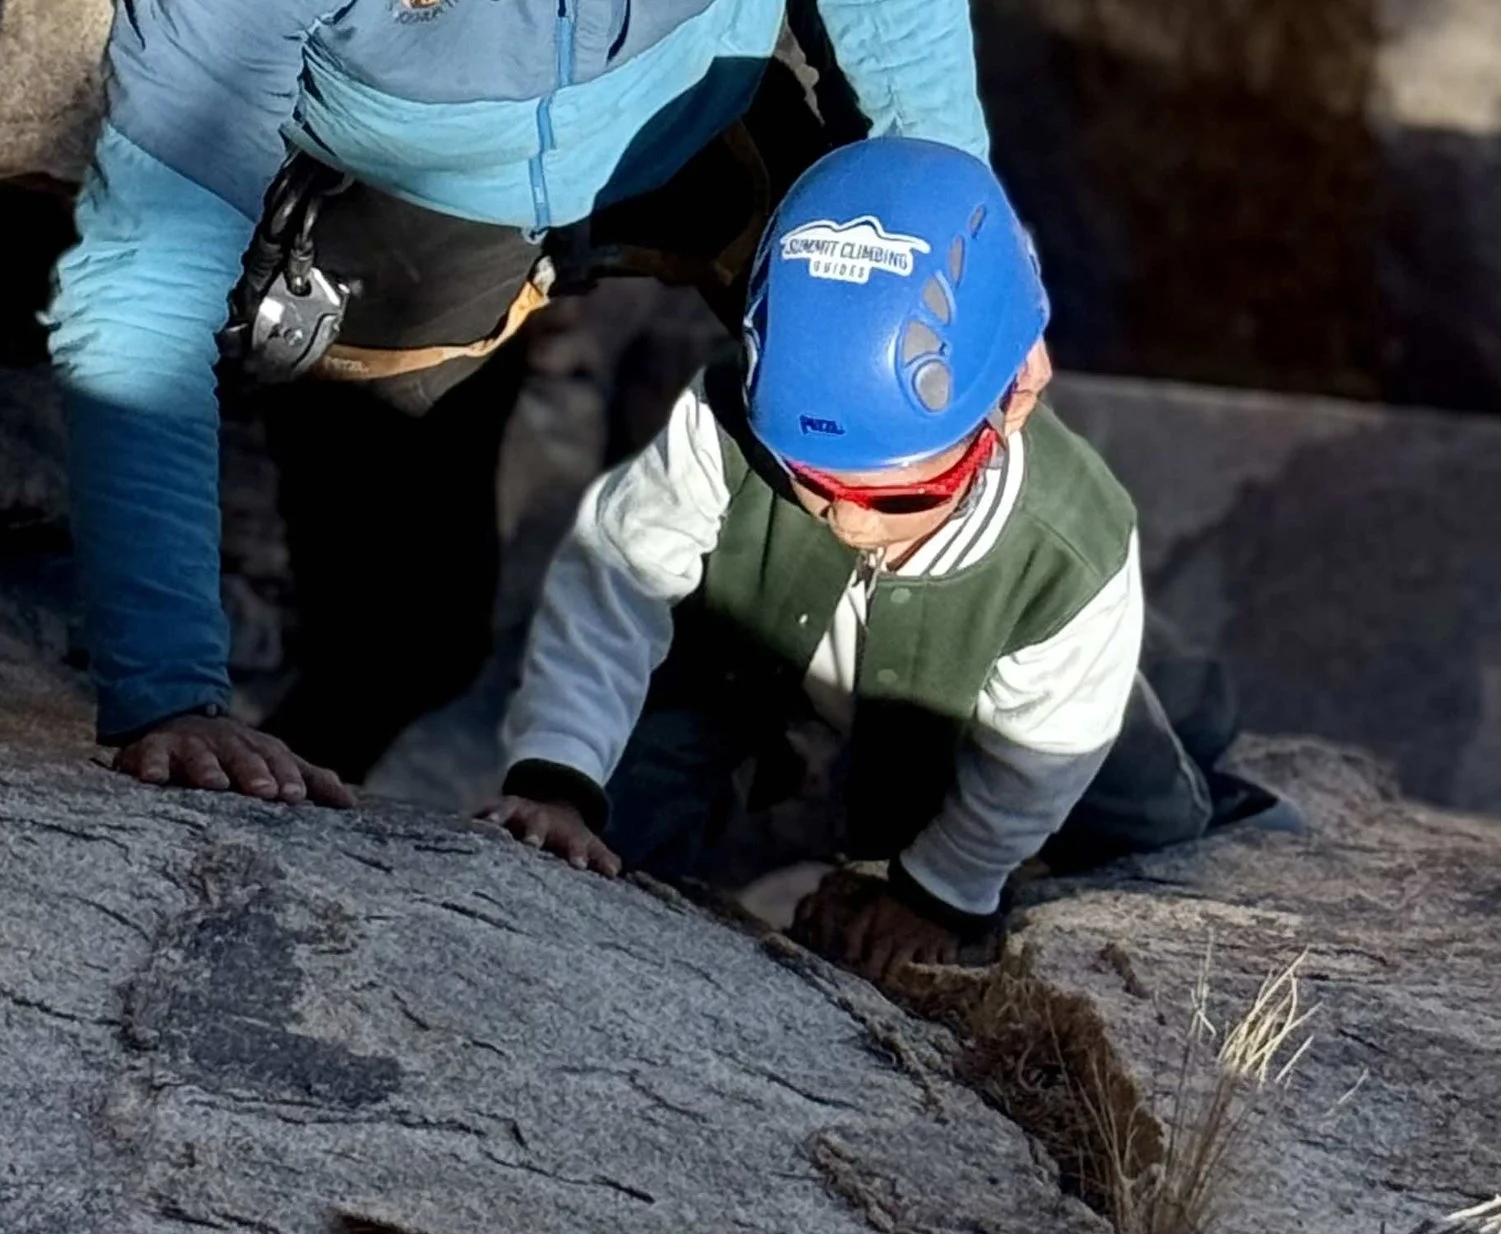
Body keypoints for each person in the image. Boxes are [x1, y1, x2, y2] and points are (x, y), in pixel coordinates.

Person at [45, 0, 990, 805]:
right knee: (411, 642)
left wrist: (957, 223)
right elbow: (146, 277)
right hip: (416, 205)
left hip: (702, 108)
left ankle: (1039, 801)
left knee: (948, 407)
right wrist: (167, 693)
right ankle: (337, 785)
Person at [482, 138, 1156, 982]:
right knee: (645, 779)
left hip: (970, 692)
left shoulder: (1070, 552)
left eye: (894, 499)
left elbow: (1043, 753)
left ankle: (1223, 787)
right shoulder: (726, 418)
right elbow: (613, 586)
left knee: (1130, 794)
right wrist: (561, 776)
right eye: (808, 481)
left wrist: (942, 889)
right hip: (753, 654)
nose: (842, 515)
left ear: (1016, 394)